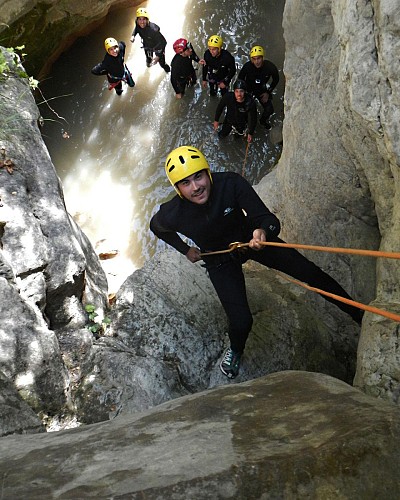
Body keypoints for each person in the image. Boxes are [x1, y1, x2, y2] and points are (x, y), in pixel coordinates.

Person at [150, 146, 363, 379]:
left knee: (311, 274)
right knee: (241, 321)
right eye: (186, 183)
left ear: (207, 172)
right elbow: (156, 227)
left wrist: (261, 231)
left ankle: (358, 313)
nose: (196, 187)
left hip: (251, 240)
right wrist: (185, 249)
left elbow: (269, 220)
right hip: (219, 257)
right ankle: (236, 350)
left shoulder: (230, 183)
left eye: (199, 176)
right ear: (178, 189)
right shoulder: (173, 213)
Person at [238, 45, 279, 130]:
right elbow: (240, 80)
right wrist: (242, 94)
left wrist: (268, 92)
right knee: (244, 109)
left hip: (261, 90)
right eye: (254, 59)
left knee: (269, 109)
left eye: (259, 58)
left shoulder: (270, 67)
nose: (257, 62)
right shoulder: (247, 67)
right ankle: (245, 124)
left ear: (263, 58)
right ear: (251, 59)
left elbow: (276, 79)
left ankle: (262, 121)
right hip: (248, 90)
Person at [130, 7, 170, 73]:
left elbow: (163, 42)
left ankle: (169, 72)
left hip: (158, 48)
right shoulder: (137, 23)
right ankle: (148, 68)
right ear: (137, 20)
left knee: (162, 64)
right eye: (140, 19)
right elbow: (137, 28)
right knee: (148, 60)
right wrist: (133, 35)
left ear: (147, 20)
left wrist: (158, 56)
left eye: (144, 19)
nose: (142, 22)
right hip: (147, 45)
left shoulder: (153, 29)